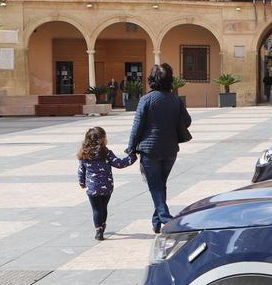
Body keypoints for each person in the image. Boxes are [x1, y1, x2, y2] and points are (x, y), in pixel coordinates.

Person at [127, 63, 191, 234]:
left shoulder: (146, 99)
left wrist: (131, 147)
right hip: (170, 149)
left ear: (151, 79)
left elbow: (137, 125)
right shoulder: (176, 100)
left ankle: (165, 218)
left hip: (150, 150)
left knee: (156, 186)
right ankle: (156, 221)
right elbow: (187, 121)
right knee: (160, 185)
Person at [77, 126, 136, 241]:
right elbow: (119, 163)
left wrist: (82, 182)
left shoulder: (84, 154)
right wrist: (132, 157)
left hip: (92, 187)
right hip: (106, 187)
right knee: (103, 207)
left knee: (96, 209)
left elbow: (81, 170)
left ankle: (98, 230)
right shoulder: (106, 153)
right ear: (102, 139)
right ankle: (103, 224)